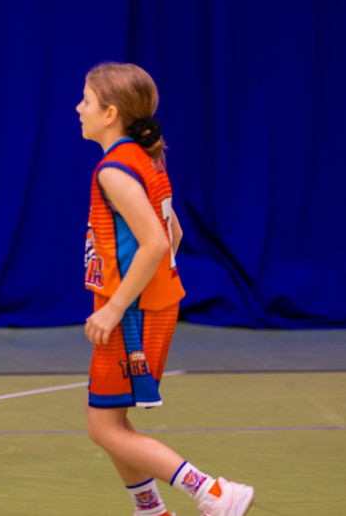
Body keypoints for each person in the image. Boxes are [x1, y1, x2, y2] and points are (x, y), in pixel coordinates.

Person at [77, 62, 253, 515]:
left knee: (103, 427)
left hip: (134, 314)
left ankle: (213, 492)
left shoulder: (115, 170)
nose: (79, 108)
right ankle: (151, 510)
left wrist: (116, 307)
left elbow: (156, 242)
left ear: (110, 113)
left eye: (87, 100)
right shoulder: (145, 158)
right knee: (111, 420)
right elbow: (172, 234)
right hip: (149, 307)